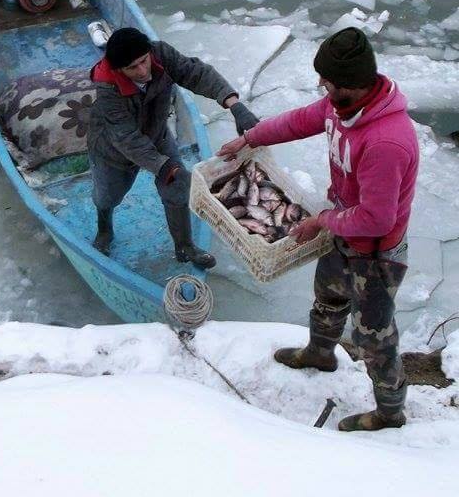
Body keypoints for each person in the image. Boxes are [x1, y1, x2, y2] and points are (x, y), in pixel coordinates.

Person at [218, 27, 419, 432]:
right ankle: (320, 353)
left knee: (375, 340)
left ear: (351, 84)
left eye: (326, 81)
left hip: (377, 254)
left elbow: (377, 219)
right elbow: (299, 121)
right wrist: (249, 139)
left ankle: (390, 413)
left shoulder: (386, 142)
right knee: (328, 296)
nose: (321, 87)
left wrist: (322, 221)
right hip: (343, 230)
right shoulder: (339, 106)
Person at [88, 27, 259, 269]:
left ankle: (184, 247)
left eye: (144, 61)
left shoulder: (160, 54)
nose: (143, 70)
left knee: (176, 188)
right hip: (113, 148)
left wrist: (234, 105)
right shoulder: (108, 91)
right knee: (108, 195)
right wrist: (165, 166)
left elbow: (196, 73)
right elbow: (126, 138)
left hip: (156, 133)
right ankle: (104, 229)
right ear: (118, 70)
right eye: (132, 68)